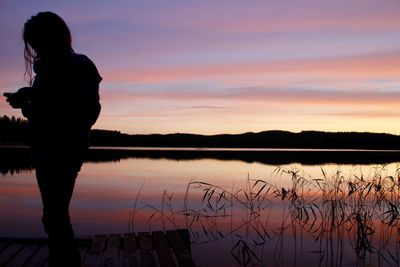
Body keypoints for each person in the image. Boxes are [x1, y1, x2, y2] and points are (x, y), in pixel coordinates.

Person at [4, 11, 101, 267]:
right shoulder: (44, 72)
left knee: (55, 216)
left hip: (65, 150)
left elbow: (88, 111)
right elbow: (41, 113)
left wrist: (35, 99)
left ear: (53, 37)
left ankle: (65, 261)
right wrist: (26, 101)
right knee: (53, 216)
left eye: (37, 40)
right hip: (43, 150)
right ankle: (64, 259)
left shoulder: (80, 65)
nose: (34, 47)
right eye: (31, 42)